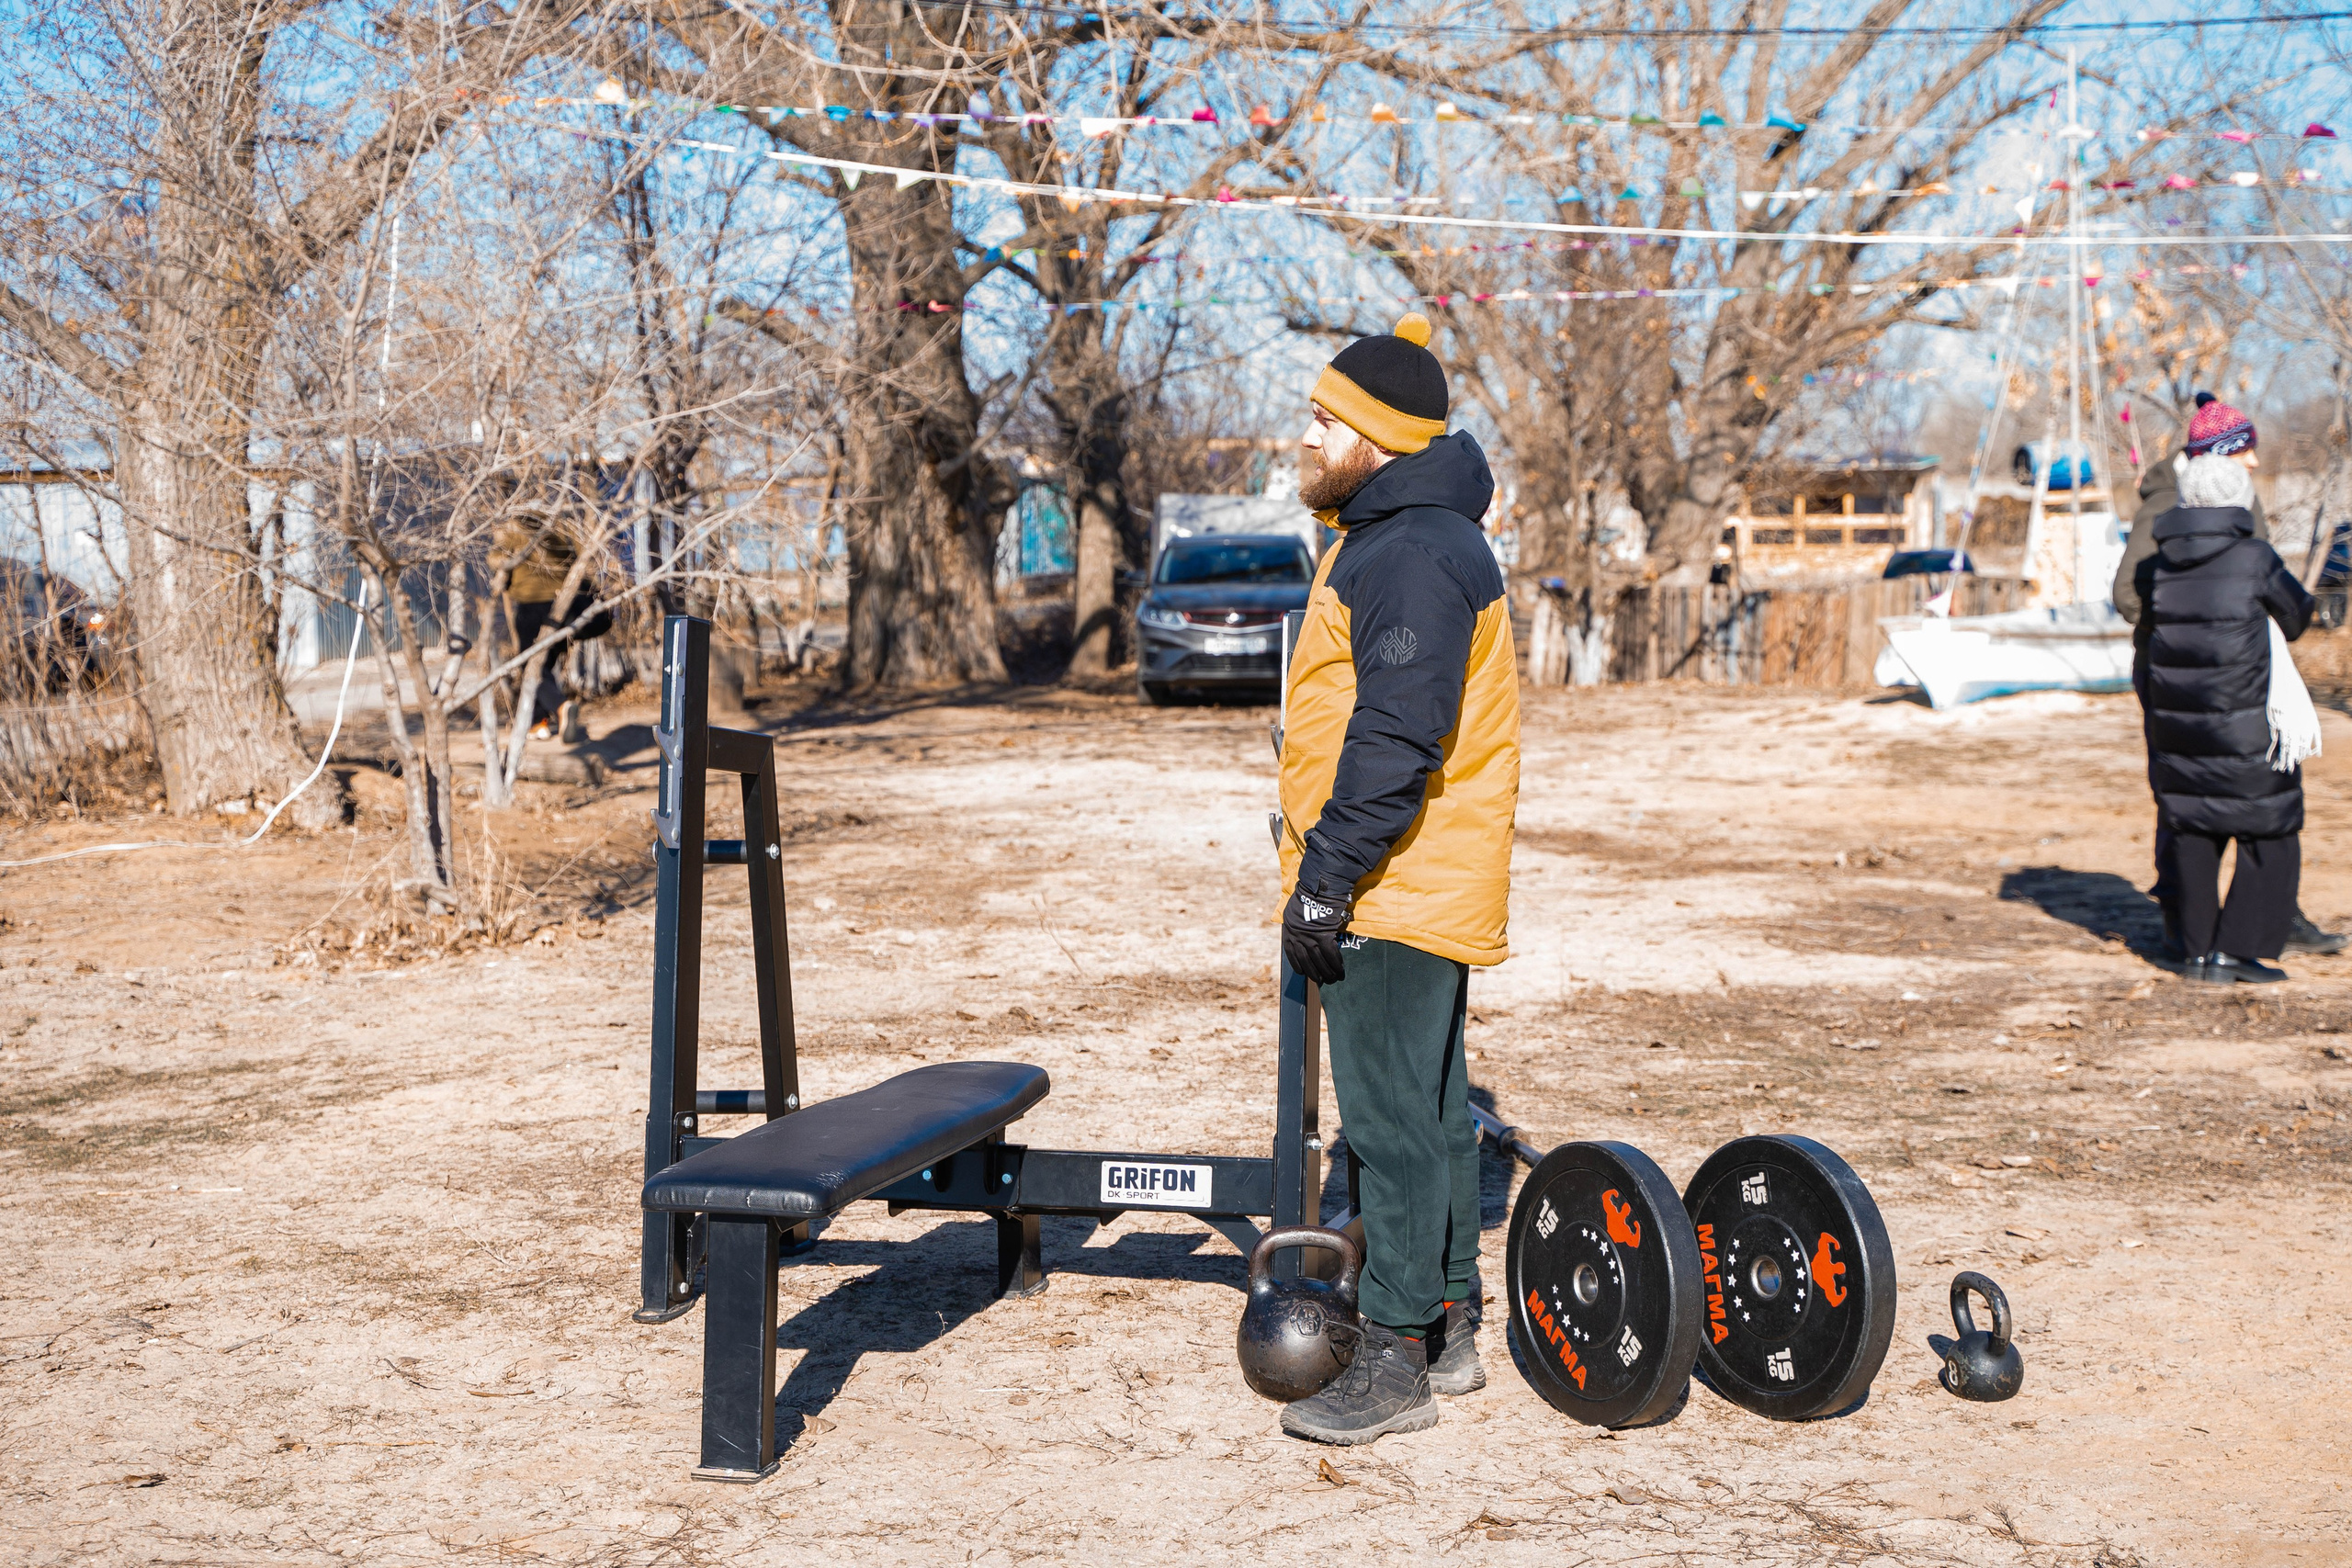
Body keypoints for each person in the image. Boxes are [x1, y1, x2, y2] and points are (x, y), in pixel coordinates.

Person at [1272, 313, 1521, 1444]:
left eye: (1321, 419)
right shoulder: (1395, 534)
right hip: (1415, 878)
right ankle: (1452, 1324)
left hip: (1393, 884)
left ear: (1371, 435)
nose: (1304, 436)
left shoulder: (1411, 550)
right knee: (1431, 1115)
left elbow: (1395, 737)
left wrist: (1327, 879)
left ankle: (1391, 1361)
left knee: (1389, 1123)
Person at [2114, 394, 2346, 957]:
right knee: (2195, 798)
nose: (2255, 462)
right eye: (2246, 449)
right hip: (2182, 678)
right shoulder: (2168, 502)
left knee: (2244, 796)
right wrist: (2197, 628)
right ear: (2222, 453)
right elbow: (2128, 594)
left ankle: (2263, 918)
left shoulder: (2227, 496)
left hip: (2238, 676)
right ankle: (2187, 927)